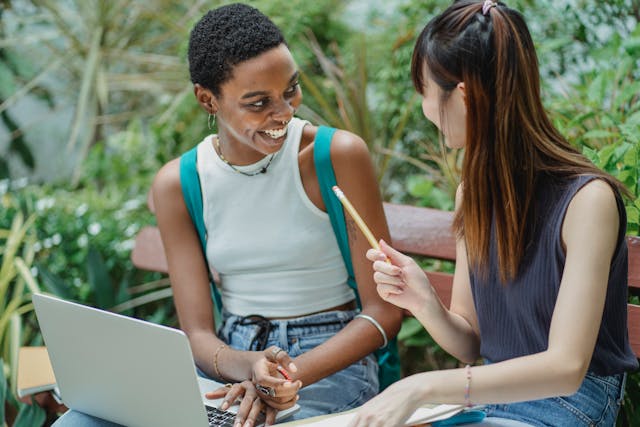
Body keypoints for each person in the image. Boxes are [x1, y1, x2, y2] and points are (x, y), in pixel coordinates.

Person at [52, 3, 403, 427]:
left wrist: (284, 376)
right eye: (258, 103)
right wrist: (247, 366)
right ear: (207, 99)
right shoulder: (180, 184)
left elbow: (383, 312)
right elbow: (198, 334)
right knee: (81, 422)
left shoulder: (335, 156)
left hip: (327, 362)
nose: (285, 112)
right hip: (230, 362)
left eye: (291, 89)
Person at [349, 1, 639, 426]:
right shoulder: (473, 194)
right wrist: (424, 300)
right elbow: (471, 343)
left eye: (425, 90)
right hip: (486, 404)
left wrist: (421, 385)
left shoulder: (587, 201)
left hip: (565, 408)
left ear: (464, 96)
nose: (425, 108)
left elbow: (565, 368)